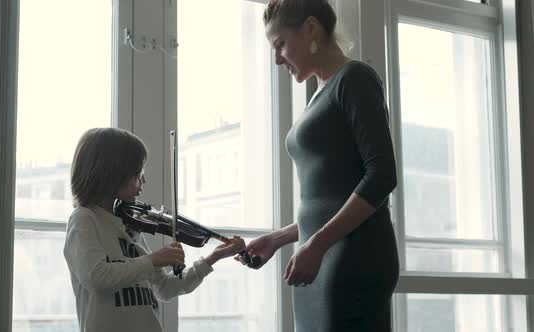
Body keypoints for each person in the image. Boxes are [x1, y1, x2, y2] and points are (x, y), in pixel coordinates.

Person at [237, 1, 400, 331]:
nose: (276, 58)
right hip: (321, 255)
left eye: (280, 44)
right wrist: (280, 238)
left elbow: (381, 176)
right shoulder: (319, 94)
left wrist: (317, 244)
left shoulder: (354, 78)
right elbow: (332, 197)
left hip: (352, 259)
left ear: (311, 28)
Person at [64, 127, 246, 332]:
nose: (143, 180)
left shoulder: (129, 226)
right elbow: (96, 277)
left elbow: (164, 288)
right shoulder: (84, 220)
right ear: (113, 173)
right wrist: (153, 260)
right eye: (137, 173)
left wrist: (212, 258)